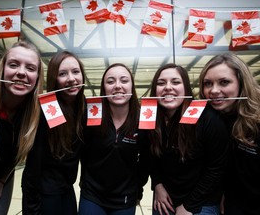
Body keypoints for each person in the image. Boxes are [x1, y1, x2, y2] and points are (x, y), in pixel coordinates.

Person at [0, 40, 44, 215]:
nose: (21, 72)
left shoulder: (35, 115)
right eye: (13, 65)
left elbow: (17, 156)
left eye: (30, 68)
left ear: (37, 77)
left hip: (0, 178)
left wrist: (1, 182)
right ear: (2, 69)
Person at [149, 63, 229, 215]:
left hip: (201, 201)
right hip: (166, 198)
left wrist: (188, 206)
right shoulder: (151, 118)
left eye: (176, 82)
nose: (167, 87)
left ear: (186, 88)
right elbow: (151, 157)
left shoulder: (208, 118)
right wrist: (157, 185)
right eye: (161, 83)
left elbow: (216, 168)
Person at [78, 63, 150, 215]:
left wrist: (138, 191)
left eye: (124, 81)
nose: (118, 86)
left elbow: (146, 161)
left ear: (132, 87)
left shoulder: (143, 119)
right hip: (92, 196)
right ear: (104, 88)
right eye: (110, 81)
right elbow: (83, 153)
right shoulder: (92, 115)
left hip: (125, 198)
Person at [21, 51, 86, 215]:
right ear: (54, 79)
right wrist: (32, 209)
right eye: (62, 73)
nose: (71, 78)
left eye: (76, 71)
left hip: (67, 189)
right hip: (46, 192)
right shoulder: (48, 109)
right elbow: (33, 165)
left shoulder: (83, 106)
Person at [198, 53, 260, 215]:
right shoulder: (212, 119)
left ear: (242, 83)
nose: (214, 90)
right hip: (232, 204)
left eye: (224, 82)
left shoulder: (256, 120)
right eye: (208, 84)